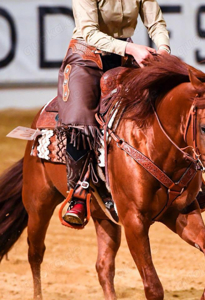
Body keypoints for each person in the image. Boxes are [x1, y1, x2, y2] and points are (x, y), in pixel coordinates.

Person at [57, 0, 171, 226]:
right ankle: (79, 192)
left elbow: (156, 23)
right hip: (85, 57)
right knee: (81, 122)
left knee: (162, 100)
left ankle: (180, 177)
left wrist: (164, 51)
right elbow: (88, 32)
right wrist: (132, 48)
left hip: (122, 57)